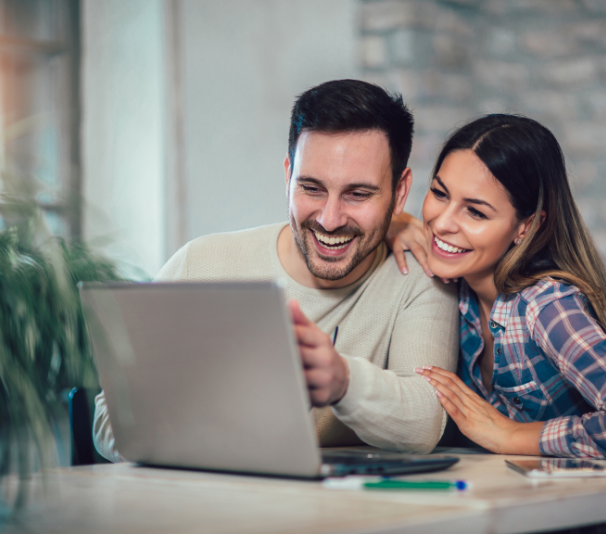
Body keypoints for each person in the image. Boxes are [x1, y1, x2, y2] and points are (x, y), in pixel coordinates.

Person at [92, 79, 460, 462]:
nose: (330, 219)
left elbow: (424, 422)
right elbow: (109, 421)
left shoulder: (420, 276)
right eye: (312, 188)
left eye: (358, 194)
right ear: (288, 176)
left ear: (400, 192)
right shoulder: (200, 264)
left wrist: (343, 382)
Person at [387, 114, 606, 534]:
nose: (443, 222)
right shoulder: (455, 286)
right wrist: (397, 222)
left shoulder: (545, 305)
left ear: (527, 226)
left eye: (476, 212)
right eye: (439, 193)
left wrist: (513, 436)